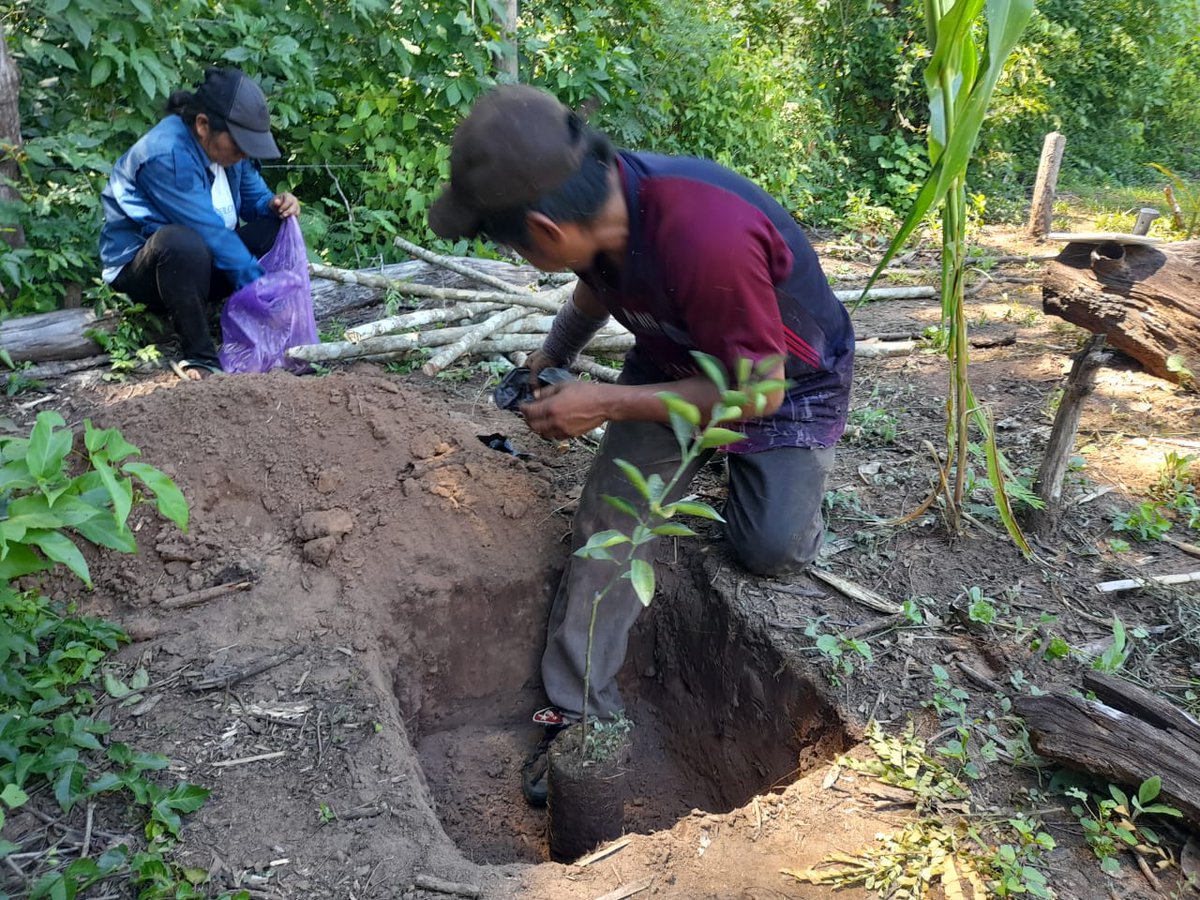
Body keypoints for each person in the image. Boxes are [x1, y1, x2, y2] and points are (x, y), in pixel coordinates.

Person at [429, 85, 855, 806]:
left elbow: (758, 393)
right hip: (675, 358)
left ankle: (778, 481)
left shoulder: (704, 238)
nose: (510, 252)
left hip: (785, 379)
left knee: (770, 547)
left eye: (508, 241)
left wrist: (604, 403)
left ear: (544, 227)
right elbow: (594, 290)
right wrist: (552, 355)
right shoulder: (598, 210)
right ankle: (577, 710)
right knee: (610, 522)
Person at [99, 66, 300, 379]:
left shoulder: (232, 156)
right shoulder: (166, 155)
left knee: (277, 222)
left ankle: (235, 309)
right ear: (204, 125)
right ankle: (201, 357)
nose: (244, 153)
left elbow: (256, 201)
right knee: (182, 242)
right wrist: (263, 291)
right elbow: (211, 235)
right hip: (145, 272)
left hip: (202, 265)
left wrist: (277, 204)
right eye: (239, 145)